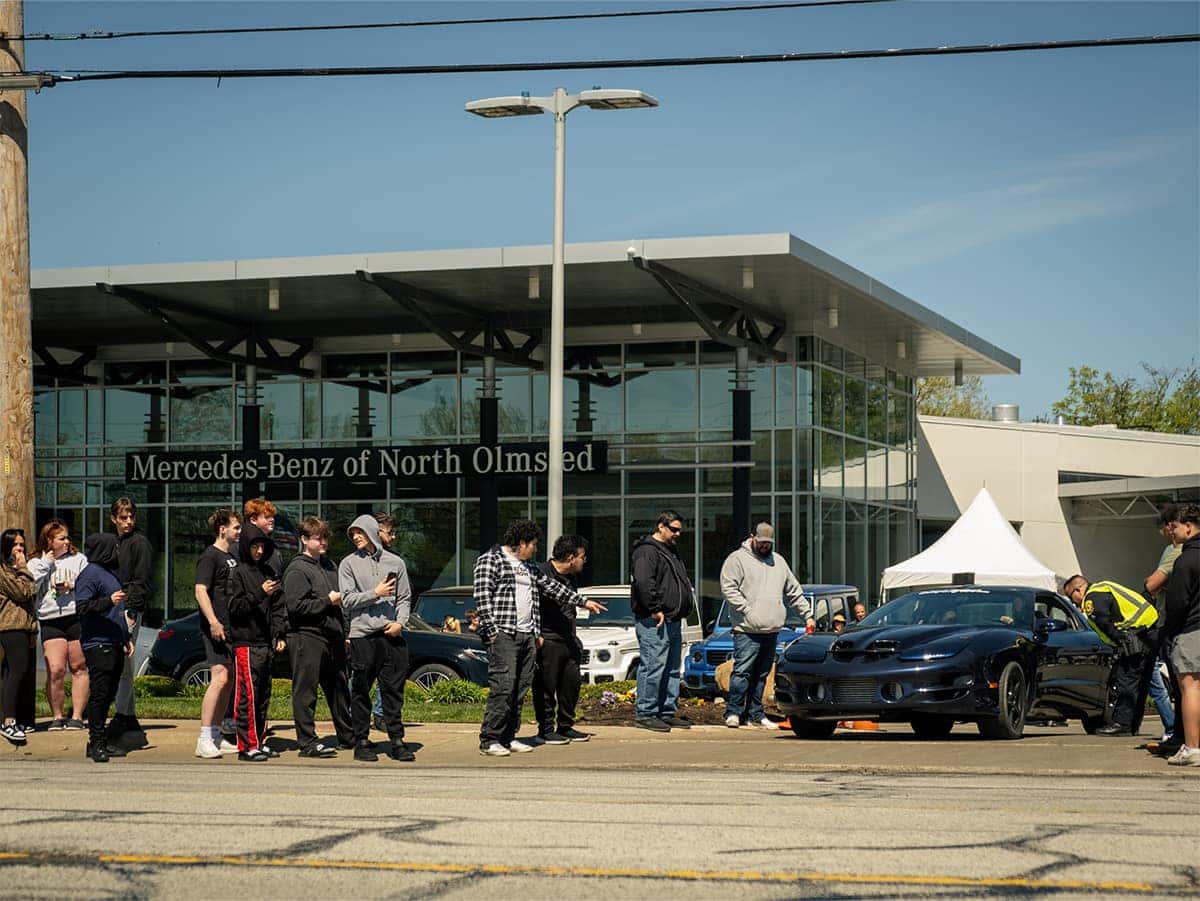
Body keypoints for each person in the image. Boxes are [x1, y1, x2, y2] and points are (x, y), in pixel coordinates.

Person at [474, 519, 590, 757]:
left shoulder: (529, 567)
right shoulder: (491, 560)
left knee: (520, 688)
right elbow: (482, 598)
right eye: (534, 544)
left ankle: (508, 737)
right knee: (503, 687)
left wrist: (583, 601)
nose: (536, 549)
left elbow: (552, 587)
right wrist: (492, 632)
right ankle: (489, 739)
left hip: (527, 634)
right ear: (521, 542)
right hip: (504, 633)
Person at [719, 523, 812, 729]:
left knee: (761, 674)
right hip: (747, 629)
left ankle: (755, 714)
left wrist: (808, 615)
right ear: (753, 537)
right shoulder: (737, 560)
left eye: (768, 544)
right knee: (742, 672)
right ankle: (733, 712)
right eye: (761, 543)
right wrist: (747, 609)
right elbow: (728, 587)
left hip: (771, 629)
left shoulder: (778, 561)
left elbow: (794, 590)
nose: (764, 547)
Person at [339, 514, 415, 762]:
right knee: (360, 690)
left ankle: (397, 740)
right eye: (352, 534)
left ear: (372, 532)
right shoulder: (348, 564)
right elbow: (347, 600)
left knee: (393, 691)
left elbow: (404, 598)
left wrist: (400, 623)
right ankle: (362, 741)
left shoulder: (396, 563)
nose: (356, 537)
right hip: (362, 636)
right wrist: (376, 593)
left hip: (390, 635)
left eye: (359, 532)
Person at [283, 516, 353, 758]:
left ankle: (347, 736)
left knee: (339, 688)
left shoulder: (329, 566)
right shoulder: (297, 569)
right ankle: (307, 741)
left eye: (325, 537)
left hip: (333, 636)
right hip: (307, 636)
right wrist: (326, 601)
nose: (323, 542)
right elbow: (295, 607)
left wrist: (345, 633)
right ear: (304, 539)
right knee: (306, 690)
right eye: (317, 538)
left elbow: (341, 605)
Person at [1063, 573, 1158, 736]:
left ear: (1078, 590)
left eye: (1072, 597)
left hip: (1136, 638)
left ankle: (1122, 724)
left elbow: (1102, 620)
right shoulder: (1104, 587)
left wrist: (1119, 639)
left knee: (1126, 680)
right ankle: (1133, 724)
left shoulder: (1092, 598)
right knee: (1141, 682)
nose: (1074, 602)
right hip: (1148, 632)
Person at [534, 535, 603, 746]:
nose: (585, 560)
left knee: (571, 684)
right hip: (548, 639)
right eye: (583, 556)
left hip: (568, 639)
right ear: (571, 557)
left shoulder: (571, 578)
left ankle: (565, 726)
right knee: (546, 687)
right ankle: (545, 730)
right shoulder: (541, 573)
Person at [226, 523, 287, 762]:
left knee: (263, 696)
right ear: (246, 547)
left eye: (262, 546)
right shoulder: (237, 573)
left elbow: (278, 607)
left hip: (265, 643)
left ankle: (259, 740)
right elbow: (235, 608)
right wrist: (260, 593)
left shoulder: (268, 573)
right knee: (248, 697)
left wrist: (280, 633)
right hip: (245, 644)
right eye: (255, 546)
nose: (259, 551)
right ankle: (247, 745)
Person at [630, 510, 695, 733]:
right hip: (654, 620)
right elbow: (643, 582)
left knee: (671, 667)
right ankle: (646, 713)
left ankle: (666, 711)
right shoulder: (647, 551)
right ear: (661, 526)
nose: (677, 534)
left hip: (673, 619)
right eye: (673, 529)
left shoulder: (670, 551)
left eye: (680, 530)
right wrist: (655, 609)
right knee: (653, 665)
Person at [73, 533, 131, 763]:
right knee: (99, 693)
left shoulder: (109, 574)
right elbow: (83, 607)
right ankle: (96, 742)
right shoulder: (89, 575)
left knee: (109, 693)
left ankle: (100, 740)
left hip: (114, 641)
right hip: (97, 643)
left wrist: (125, 636)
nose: (117, 552)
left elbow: (117, 613)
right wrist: (109, 601)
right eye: (114, 547)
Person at [27, 519, 89, 731]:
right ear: (49, 540)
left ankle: (78, 716)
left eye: (67, 537)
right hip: (50, 618)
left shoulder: (78, 559)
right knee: (55, 669)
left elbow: (89, 584)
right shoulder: (36, 562)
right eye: (61, 538)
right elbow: (28, 586)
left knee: (79, 667)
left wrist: (73, 585)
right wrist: (46, 564)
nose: (66, 541)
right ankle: (57, 716)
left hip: (75, 617)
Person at [193, 509, 241, 759]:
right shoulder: (210, 556)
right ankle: (203, 737)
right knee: (220, 677)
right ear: (222, 528)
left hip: (233, 627)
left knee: (229, 679)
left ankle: (216, 734)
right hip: (216, 627)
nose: (239, 531)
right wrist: (213, 621)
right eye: (235, 527)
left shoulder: (232, 555)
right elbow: (200, 590)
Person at [110, 497, 154, 740]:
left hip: (129, 607)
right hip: (114, 605)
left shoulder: (140, 543)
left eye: (131, 517)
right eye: (123, 518)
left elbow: (141, 581)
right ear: (114, 519)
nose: (128, 522)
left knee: (124, 664)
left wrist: (132, 612)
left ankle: (121, 715)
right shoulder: (115, 543)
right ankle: (129, 714)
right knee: (121, 663)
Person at [1162, 503, 1200, 766]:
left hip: (1191, 630)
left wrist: (1169, 631)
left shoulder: (1185, 561)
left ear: (1188, 527)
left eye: (1174, 527)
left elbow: (1176, 604)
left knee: (1190, 688)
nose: (1171, 533)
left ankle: (1192, 748)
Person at [1143, 505, 1181, 745]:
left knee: (1182, 685)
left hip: (1174, 623)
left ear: (1170, 526)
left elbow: (1152, 584)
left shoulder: (1175, 550)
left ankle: (1180, 735)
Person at [0, 529, 37, 743]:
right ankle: (9, 721)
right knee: (16, 671)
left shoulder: (15, 570)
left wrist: (33, 628)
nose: (20, 549)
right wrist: (23, 567)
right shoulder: (4, 570)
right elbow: (23, 592)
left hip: (23, 626)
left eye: (22, 544)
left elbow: (30, 601)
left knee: (14, 672)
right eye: (16, 545)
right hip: (10, 626)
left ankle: (13, 717)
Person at [370, 510, 397, 733]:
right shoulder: (358, 561)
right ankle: (352, 710)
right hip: (367, 626)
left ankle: (381, 714)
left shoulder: (393, 560)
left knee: (387, 673)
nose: (393, 537)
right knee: (363, 674)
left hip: (389, 625)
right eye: (390, 532)